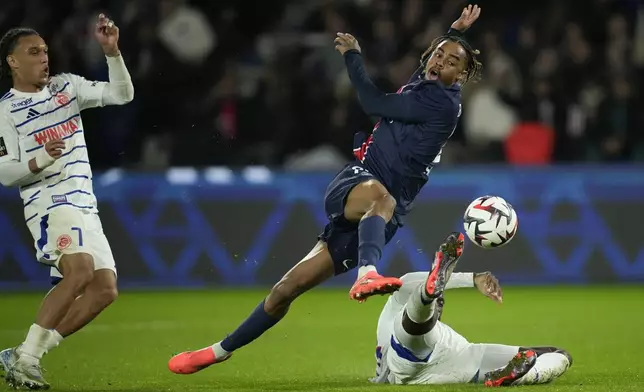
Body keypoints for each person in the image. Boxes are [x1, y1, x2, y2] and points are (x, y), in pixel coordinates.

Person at [168, 5, 484, 375]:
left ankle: (219, 350)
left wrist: (352, 57)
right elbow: (428, 69)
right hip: (357, 182)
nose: (439, 62)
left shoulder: (440, 103)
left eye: (450, 61)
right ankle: (367, 272)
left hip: (380, 215)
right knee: (381, 196)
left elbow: (373, 102)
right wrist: (456, 31)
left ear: (461, 77)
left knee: (287, 288)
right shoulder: (429, 83)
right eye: (437, 53)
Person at [0, 14, 134, 390]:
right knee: (79, 272)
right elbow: (5, 173)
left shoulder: (67, 88)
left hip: (84, 203)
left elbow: (122, 94)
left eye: (45, 50)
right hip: (49, 201)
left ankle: (26, 353)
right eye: (33, 52)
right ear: (13, 61)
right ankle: (26, 359)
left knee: (104, 290)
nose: (44, 57)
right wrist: (42, 157)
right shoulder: (5, 112)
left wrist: (112, 53)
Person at [372, 232, 572, 387]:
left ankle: (512, 375)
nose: (440, 305)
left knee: (557, 354)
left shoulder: (439, 335)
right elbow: (407, 283)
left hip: (454, 356)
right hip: (408, 364)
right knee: (412, 323)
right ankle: (428, 293)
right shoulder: (397, 318)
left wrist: (472, 279)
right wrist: (470, 278)